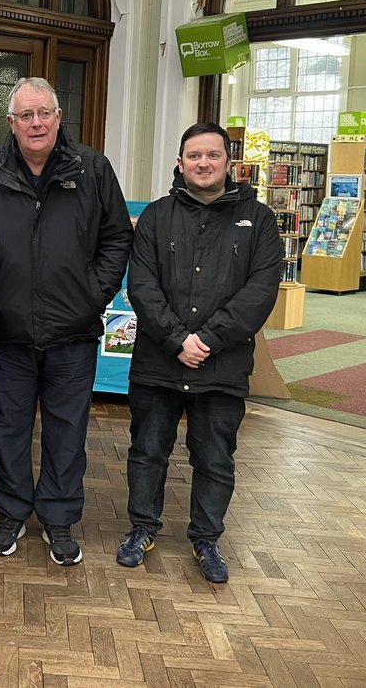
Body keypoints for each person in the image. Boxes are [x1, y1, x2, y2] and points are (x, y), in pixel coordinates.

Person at [118, 123, 282, 583]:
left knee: (214, 458)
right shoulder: (155, 216)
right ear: (180, 162)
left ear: (230, 163)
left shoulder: (260, 220)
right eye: (194, 156)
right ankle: (141, 529)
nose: (203, 164)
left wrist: (207, 340)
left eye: (213, 156)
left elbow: (260, 291)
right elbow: (142, 286)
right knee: (147, 451)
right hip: (158, 361)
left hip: (222, 365)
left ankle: (206, 539)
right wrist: (176, 340)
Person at [0, 77, 132, 566]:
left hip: (74, 333)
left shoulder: (92, 168)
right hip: (8, 333)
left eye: (44, 112)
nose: (36, 123)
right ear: (11, 123)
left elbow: (116, 240)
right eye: (25, 115)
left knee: (67, 433)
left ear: (59, 116)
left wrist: (93, 296)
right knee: (7, 429)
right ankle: (10, 514)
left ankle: (60, 519)